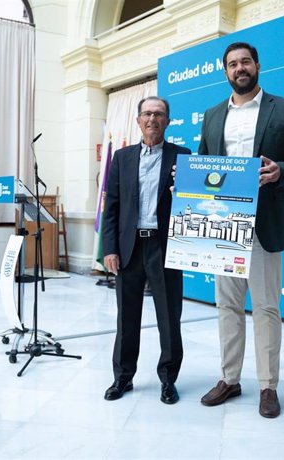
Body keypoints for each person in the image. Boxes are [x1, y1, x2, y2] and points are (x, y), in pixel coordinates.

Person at [197, 42, 284, 418]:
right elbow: (204, 166)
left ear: (257, 65)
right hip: (223, 226)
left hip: (265, 224)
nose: (240, 68)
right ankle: (230, 379)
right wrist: (184, 184)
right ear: (226, 71)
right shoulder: (212, 115)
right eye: (232, 64)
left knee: (266, 308)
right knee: (227, 306)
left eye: (245, 61)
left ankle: (268, 386)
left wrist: (282, 171)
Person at [102, 96, 190, 404]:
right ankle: (123, 377)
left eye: (159, 114)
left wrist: (187, 188)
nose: (152, 118)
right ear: (138, 120)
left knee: (169, 317)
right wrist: (109, 248)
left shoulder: (184, 157)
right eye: (147, 114)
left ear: (168, 121)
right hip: (129, 247)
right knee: (127, 318)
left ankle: (168, 380)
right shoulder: (122, 158)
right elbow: (111, 207)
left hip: (166, 246)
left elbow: (196, 203)